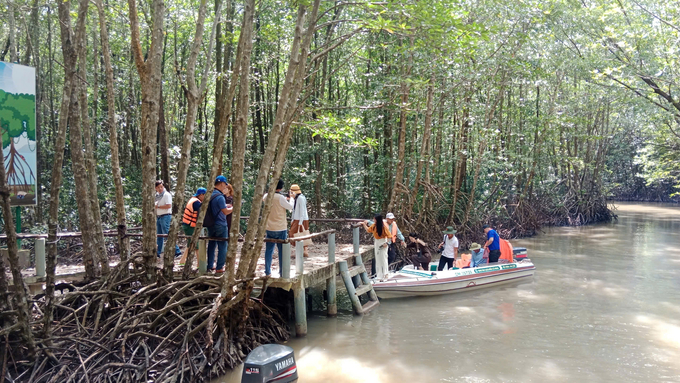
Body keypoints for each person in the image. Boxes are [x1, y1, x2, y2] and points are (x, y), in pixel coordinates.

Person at [263, 179, 293, 276]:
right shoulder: (281, 198)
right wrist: (291, 198)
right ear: (281, 188)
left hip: (269, 227)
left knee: (269, 251)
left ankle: (267, 271)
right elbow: (290, 207)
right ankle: (282, 272)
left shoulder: (266, 196)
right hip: (280, 228)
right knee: (282, 252)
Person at [206, 176, 233, 273]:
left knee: (211, 244)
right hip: (220, 224)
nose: (225, 186)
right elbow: (225, 212)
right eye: (225, 184)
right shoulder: (220, 197)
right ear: (222, 183)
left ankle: (209, 265)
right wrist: (233, 208)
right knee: (222, 245)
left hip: (210, 224)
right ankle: (219, 267)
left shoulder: (209, 195)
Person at [179, 187, 206, 265]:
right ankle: (200, 263)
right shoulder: (196, 202)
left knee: (190, 243)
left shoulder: (193, 200)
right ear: (201, 195)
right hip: (190, 225)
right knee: (195, 244)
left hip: (187, 224)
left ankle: (182, 261)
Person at [361, 214, 392, 280]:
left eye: (374, 219)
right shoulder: (374, 226)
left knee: (383, 258)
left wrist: (386, 243)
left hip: (383, 242)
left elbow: (389, 236)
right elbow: (368, 230)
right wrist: (364, 224)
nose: (373, 220)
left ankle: (385, 274)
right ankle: (379, 276)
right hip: (377, 242)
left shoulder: (383, 227)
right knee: (378, 259)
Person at [155, 180, 181, 257]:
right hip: (159, 216)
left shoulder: (166, 195)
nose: (160, 189)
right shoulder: (156, 196)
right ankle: (158, 253)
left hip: (166, 216)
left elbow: (168, 205)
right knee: (159, 235)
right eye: (158, 187)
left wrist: (158, 207)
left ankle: (177, 251)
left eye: (161, 187)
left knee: (167, 234)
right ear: (156, 188)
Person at [289, 184, 309, 257]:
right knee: (295, 234)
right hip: (297, 219)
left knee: (302, 234)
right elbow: (293, 210)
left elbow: (302, 210)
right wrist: (292, 220)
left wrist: (300, 222)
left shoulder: (300, 198)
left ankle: (304, 251)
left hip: (301, 219)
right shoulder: (295, 198)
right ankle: (301, 251)